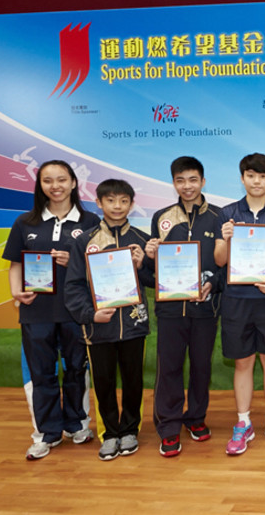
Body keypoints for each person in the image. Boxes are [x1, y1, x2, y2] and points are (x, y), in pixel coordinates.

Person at [3, 160, 100, 460]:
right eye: (48, 180)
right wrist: (16, 291)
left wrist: (72, 261)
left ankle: (77, 424)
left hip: (76, 312)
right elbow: (15, 264)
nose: (55, 186)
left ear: (74, 183)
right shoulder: (25, 222)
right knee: (41, 374)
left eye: (61, 179)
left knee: (76, 371)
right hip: (37, 311)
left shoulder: (91, 221)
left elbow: (100, 267)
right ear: (40, 185)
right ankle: (46, 433)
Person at [65, 179, 153, 461]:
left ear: (132, 204)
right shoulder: (84, 241)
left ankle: (129, 430)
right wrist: (91, 314)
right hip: (98, 325)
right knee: (102, 381)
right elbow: (74, 286)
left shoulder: (141, 239)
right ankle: (109, 433)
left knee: (132, 379)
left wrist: (142, 265)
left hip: (133, 324)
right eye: (111, 200)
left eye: (124, 201)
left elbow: (154, 281)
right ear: (99, 203)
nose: (118, 206)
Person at [214, 153, 265, 455]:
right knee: (243, 361)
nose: (256, 181)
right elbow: (220, 260)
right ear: (242, 178)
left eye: (262, 176)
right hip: (237, 299)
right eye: (251, 175)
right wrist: (225, 238)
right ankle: (243, 422)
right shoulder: (228, 213)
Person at [144, 157, 222, 457]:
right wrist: (150, 255)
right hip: (170, 310)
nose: (187, 186)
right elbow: (154, 268)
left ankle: (196, 417)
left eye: (193, 179)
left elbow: (225, 265)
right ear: (173, 183)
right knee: (170, 368)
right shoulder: (161, 217)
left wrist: (212, 284)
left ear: (203, 181)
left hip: (206, 308)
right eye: (180, 180)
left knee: (202, 367)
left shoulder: (218, 216)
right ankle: (169, 425)